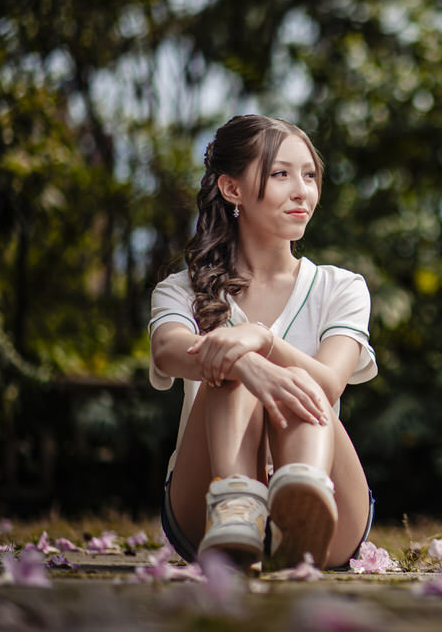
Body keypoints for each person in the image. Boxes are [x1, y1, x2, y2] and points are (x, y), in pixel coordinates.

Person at [148, 114, 377, 570]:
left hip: (333, 502)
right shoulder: (181, 290)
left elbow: (330, 384)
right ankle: (237, 507)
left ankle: (304, 498)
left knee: (266, 361)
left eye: (309, 175)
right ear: (232, 189)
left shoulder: (341, 287)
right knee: (229, 362)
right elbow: (168, 350)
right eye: (280, 174)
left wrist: (263, 343)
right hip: (204, 507)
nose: (301, 191)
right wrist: (244, 360)